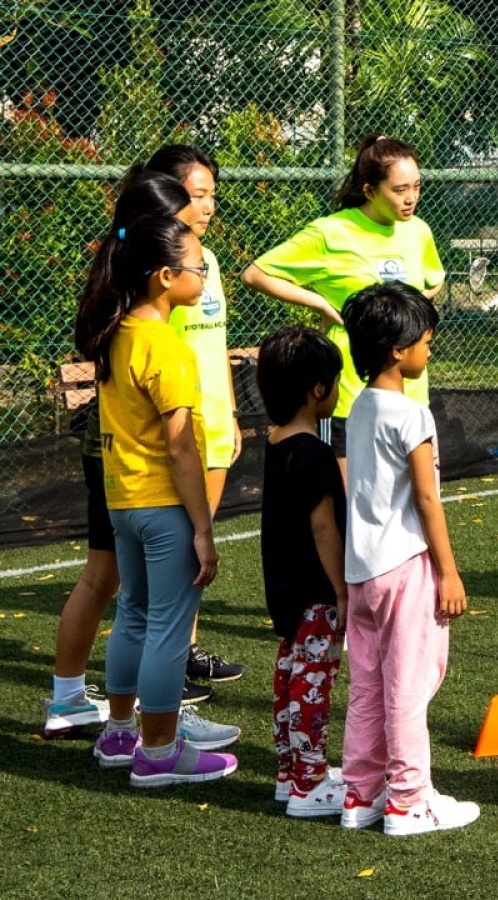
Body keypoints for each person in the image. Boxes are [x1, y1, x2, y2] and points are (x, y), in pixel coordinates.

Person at [44, 173, 240, 743]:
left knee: (132, 614)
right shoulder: (168, 349)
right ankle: (158, 749)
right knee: (168, 629)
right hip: (162, 505)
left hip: (123, 502)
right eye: (197, 269)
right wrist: (202, 527)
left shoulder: (118, 332)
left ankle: (120, 734)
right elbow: (180, 448)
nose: (204, 277)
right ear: (164, 275)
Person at [337, 281, 477, 836]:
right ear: (398, 351)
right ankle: (408, 800)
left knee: (368, 685)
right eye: (425, 342)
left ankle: (359, 795)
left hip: (362, 571)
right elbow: (426, 500)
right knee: (408, 686)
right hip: (405, 569)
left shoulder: (360, 405)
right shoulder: (412, 415)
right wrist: (449, 571)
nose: (429, 349)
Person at [241, 134, 443, 471]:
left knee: (414, 506)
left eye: (417, 187)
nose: (411, 199)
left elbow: (434, 280)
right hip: (351, 398)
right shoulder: (329, 233)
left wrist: (411, 308)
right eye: (399, 190)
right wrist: (320, 303)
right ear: (369, 190)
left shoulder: (418, 231)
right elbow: (256, 274)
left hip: (412, 397)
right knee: (350, 512)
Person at [134, 144, 248, 691]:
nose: (207, 207)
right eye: (196, 195)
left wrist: (230, 410)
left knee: (197, 559)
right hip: (177, 431)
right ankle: (156, 667)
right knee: (172, 556)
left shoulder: (209, 263)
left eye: (211, 196)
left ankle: (184, 652)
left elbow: (215, 344)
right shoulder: (158, 272)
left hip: (215, 429)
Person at [256, 325, 349, 816]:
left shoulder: (274, 442)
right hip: (314, 588)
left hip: (283, 584)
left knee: (290, 673)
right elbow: (323, 527)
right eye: (334, 382)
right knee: (313, 681)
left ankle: (289, 772)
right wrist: (341, 589)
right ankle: (310, 785)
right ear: (318, 390)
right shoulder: (314, 453)